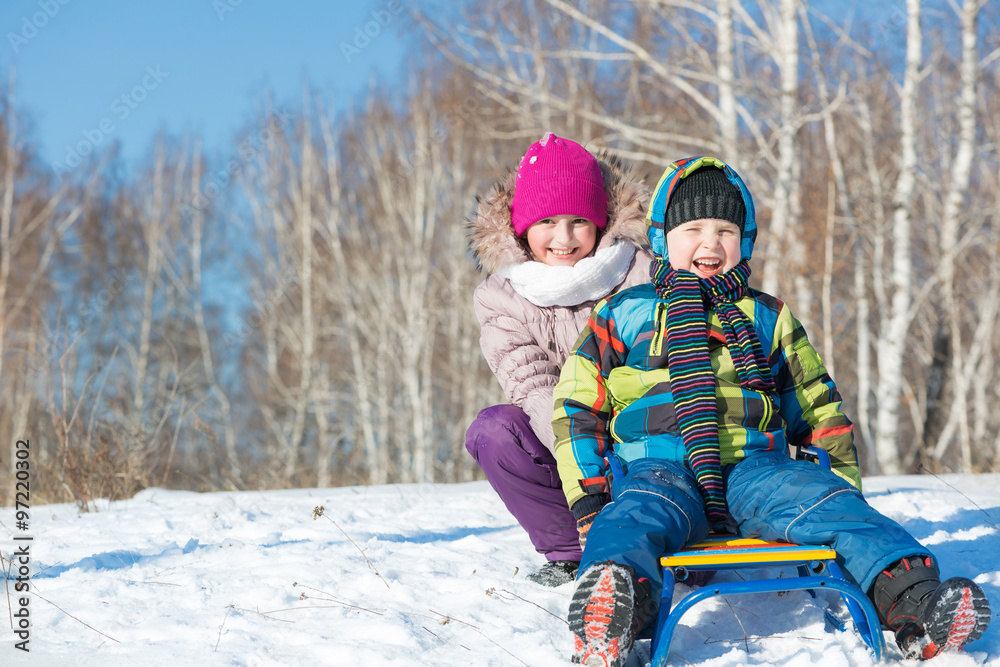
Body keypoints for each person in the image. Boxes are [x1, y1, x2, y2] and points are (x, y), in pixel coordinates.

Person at [553, 156, 991, 663]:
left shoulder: (766, 315)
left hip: (755, 469)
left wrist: (838, 487)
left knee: (828, 508)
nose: (710, 243)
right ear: (661, 238)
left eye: (725, 230)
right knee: (634, 518)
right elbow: (577, 406)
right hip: (659, 466)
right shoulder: (623, 312)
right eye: (693, 228)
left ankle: (918, 603)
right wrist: (589, 497)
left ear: (746, 239)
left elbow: (817, 404)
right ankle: (614, 611)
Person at [465, 133, 652, 587]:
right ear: (522, 226)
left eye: (578, 221)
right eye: (547, 220)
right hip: (565, 435)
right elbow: (532, 385)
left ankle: (657, 529)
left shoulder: (641, 271)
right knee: (495, 431)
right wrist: (588, 459)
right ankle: (572, 547)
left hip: (643, 433)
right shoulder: (500, 297)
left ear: (602, 220)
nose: (563, 238)